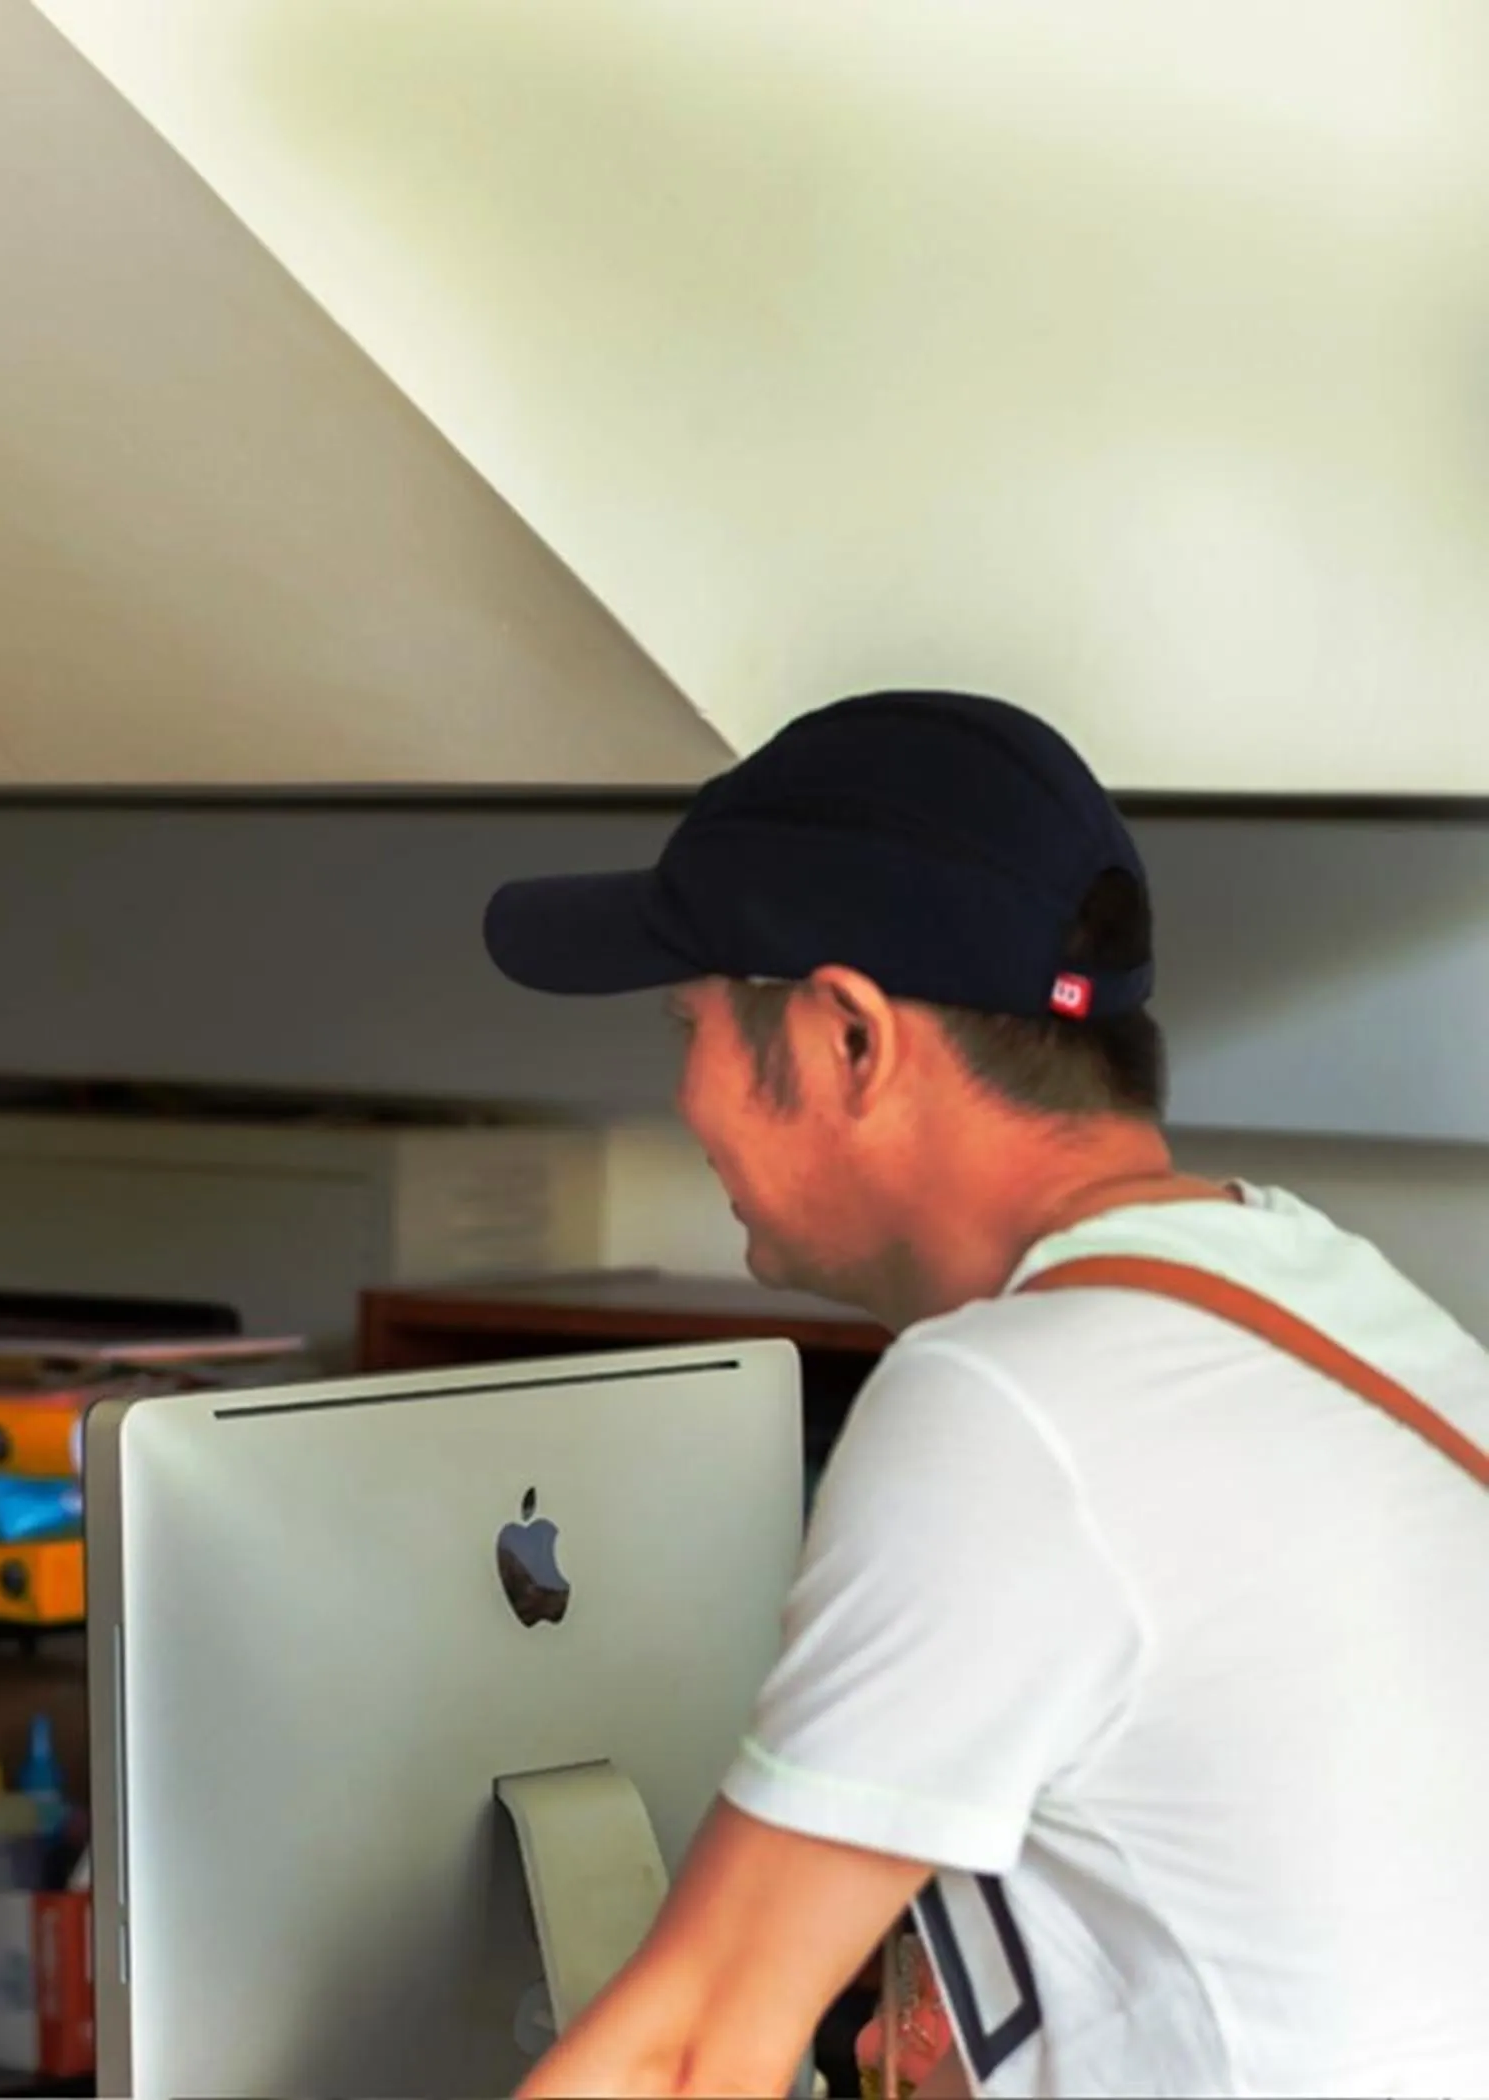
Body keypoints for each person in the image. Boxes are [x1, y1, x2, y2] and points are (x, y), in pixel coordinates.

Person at [482, 692, 1489, 2098]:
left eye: (685, 1023)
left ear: (847, 1038)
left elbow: (689, 2059)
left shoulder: (1014, 1406)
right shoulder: (1335, 1307)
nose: (685, 1094)